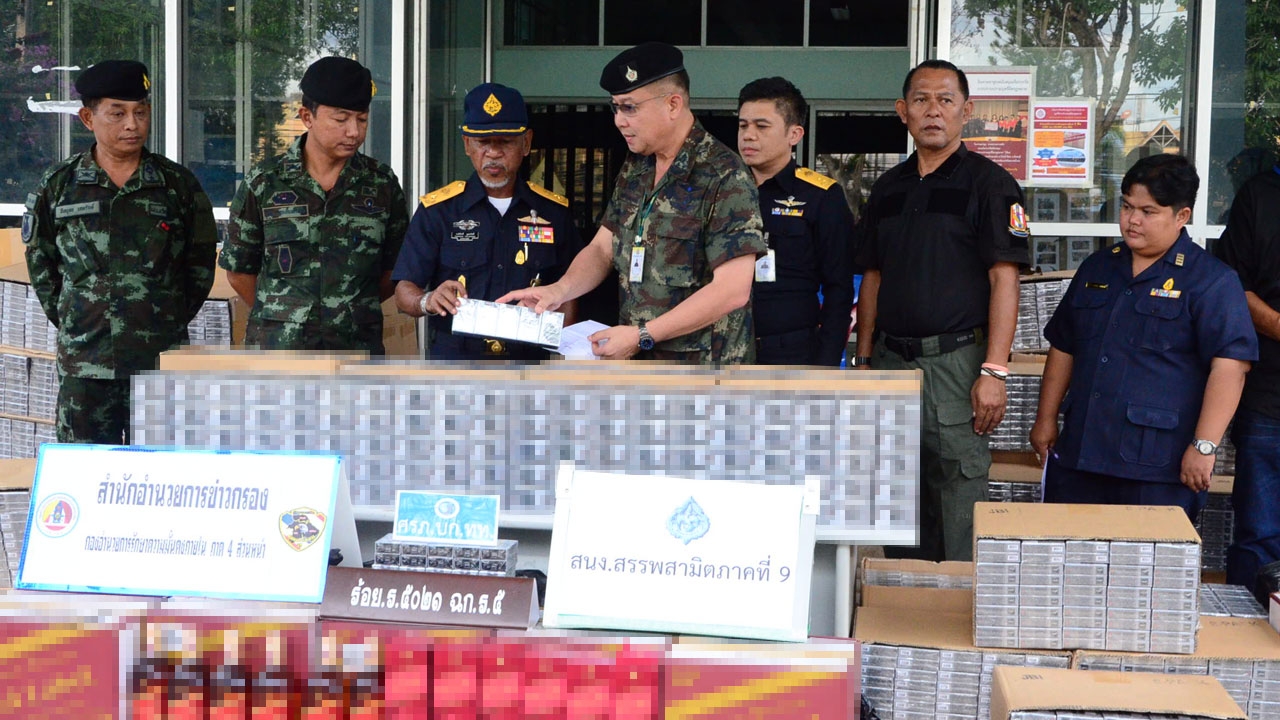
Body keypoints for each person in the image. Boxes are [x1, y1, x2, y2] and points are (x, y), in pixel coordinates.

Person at [853, 59, 1029, 562]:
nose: (934, 111)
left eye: (946, 100)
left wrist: (994, 370)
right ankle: (901, 619)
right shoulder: (887, 188)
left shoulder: (990, 185)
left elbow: (1005, 278)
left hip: (956, 366)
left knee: (958, 488)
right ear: (902, 111)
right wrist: (864, 363)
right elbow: (873, 277)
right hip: (890, 363)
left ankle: (951, 616)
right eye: (922, 100)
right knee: (895, 492)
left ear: (967, 111)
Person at [496, 42, 767, 363]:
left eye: (630, 107)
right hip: (640, 367)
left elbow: (732, 290)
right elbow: (602, 247)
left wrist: (643, 334)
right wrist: (559, 291)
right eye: (616, 108)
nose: (619, 121)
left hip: (706, 376)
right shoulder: (638, 166)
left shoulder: (723, 174)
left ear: (673, 104)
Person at [1031, 154, 1257, 523]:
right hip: (1080, 455)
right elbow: (1064, 346)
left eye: (1148, 211)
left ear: (1181, 216)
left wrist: (1204, 445)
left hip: (1156, 467)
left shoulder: (1210, 281)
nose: (1132, 220)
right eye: (1127, 207)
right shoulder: (1098, 267)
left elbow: (1231, 367)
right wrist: (1045, 418)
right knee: (1070, 568)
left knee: (1143, 572)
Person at [23, 60, 217, 444]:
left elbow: (199, 265)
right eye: (118, 113)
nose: (132, 124)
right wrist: (79, 320)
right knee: (86, 477)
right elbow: (42, 267)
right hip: (86, 365)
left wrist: (162, 318)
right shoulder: (59, 185)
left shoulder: (176, 185)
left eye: (140, 112)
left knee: (165, 480)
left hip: (160, 364)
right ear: (87, 118)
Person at [220, 56, 408, 353]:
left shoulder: (381, 184)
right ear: (307, 117)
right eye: (341, 119)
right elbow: (239, 271)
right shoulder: (265, 181)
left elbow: (395, 270)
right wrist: (283, 314)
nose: (354, 132)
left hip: (354, 351)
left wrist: (347, 310)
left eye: (362, 119)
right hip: (279, 353)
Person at [391, 83, 583, 360]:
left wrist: (568, 352)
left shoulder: (553, 213)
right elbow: (403, 291)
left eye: (504, 142)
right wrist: (428, 300)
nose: (493, 153)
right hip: (455, 367)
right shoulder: (438, 211)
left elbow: (571, 291)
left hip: (527, 366)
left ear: (526, 143)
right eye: (483, 142)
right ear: (468, 145)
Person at [736, 77, 854, 366]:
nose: (748, 135)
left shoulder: (821, 196)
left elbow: (838, 289)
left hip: (791, 352)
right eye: (743, 125)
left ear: (794, 134)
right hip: (723, 349)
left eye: (761, 126)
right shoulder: (723, 189)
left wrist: (825, 365)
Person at [1213, 162, 1280, 586]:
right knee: (1259, 537)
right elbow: (1231, 284)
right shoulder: (1261, 195)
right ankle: (1245, 646)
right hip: (1270, 399)